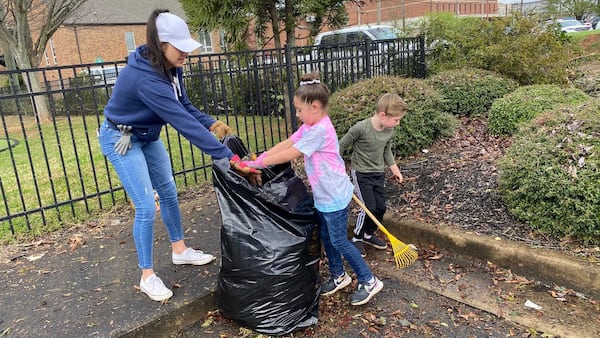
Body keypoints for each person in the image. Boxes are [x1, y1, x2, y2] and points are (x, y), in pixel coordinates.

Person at [97, 9, 253, 302]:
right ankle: (147, 276)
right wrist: (229, 158)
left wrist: (211, 123)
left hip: (146, 135)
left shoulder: (171, 68)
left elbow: (185, 105)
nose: (186, 54)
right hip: (122, 137)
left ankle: (179, 251)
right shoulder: (146, 79)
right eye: (180, 48)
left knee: (168, 191)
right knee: (145, 206)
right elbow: (181, 122)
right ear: (161, 44)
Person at [242, 72, 383, 306]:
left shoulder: (320, 130)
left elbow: (292, 153)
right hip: (324, 196)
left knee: (338, 241)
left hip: (335, 196)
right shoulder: (310, 126)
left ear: (315, 107)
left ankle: (369, 280)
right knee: (327, 237)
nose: (297, 114)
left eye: (299, 109)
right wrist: (261, 156)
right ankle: (339, 276)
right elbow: (288, 142)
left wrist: (258, 164)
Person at [338, 93, 407, 257]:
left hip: (378, 173)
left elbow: (386, 150)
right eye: (396, 119)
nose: (398, 123)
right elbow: (341, 145)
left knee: (380, 207)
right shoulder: (360, 128)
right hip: (361, 173)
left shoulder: (388, 130)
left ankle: (369, 234)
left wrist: (394, 169)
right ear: (383, 115)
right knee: (368, 207)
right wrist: (337, 166)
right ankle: (357, 238)